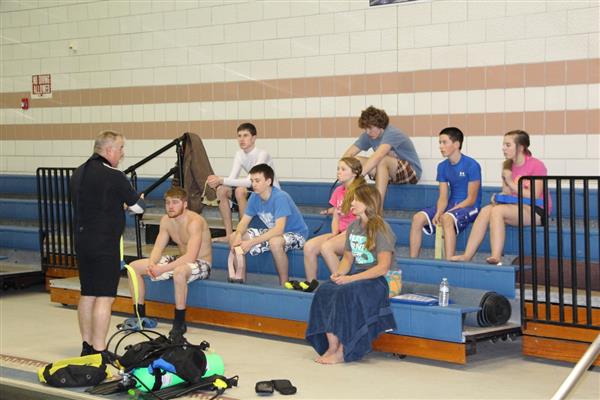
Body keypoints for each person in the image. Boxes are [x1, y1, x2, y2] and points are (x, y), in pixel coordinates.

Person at [71, 130, 145, 357]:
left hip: (83, 240)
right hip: (104, 244)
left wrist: (116, 205)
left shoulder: (78, 172)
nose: (122, 154)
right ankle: (100, 349)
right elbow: (138, 207)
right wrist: (131, 203)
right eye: (121, 148)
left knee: (88, 293)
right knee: (104, 296)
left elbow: (96, 203)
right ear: (109, 150)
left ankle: (87, 345)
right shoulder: (114, 174)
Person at [305, 184, 397, 364]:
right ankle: (331, 346)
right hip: (359, 276)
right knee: (326, 290)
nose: (352, 203)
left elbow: (383, 267)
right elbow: (347, 259)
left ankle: (344, 349)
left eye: (356, 199)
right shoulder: (354, 227)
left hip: (379, 280)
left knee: (347, 292)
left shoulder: (381, 228)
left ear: (368, 203)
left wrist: (350, 279)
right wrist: (339, 274)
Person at [450, 130, 550, 265]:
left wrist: (510, 182)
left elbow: (534, 195)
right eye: (503, 144)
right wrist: (498, 197)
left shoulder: (536, 165)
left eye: (508, 145)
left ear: (520, 147)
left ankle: (496, 256)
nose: (503, 148)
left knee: (497, 211)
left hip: (536, 210)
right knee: (486, 210)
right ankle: (467, 255)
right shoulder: (507, 165)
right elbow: (507, 193)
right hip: (515, 207)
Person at [126, 187, 212, 338]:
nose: (171, 206)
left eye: (175, 202)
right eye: (167, 203)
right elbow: (158, 247)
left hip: (201, 262)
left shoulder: (195, 222)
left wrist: (163, 269)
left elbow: (191, 257)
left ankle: (179, 322)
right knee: (133, 267)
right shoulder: (166, 220)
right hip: (180, 259)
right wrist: (152, 263)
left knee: (179, 272)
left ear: (185, 204)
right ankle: (140, 317)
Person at [228, 163, 308, 285]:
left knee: (275, 242)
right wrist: (238, 235)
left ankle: (284, 283)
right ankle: (240, 279)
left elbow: (278, 230)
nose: (253, 184)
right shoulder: (254, 197)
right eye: (252, 180)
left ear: (268, 181)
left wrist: (251, 242)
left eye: (257, 181)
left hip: (296, 234)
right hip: (275, 233)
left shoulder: (280, 197)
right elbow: (243, 222)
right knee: (234, 237)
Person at [409, 127, 482, 259]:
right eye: (440, 143)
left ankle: (449, 262)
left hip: (470, 207)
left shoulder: (472, 165)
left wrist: (448, 212)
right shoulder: (442, 167)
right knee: (417, 218)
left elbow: (471, 199)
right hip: (451, 205)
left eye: (444, 142)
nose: (440, 146)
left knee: (447, 218)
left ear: (456, 144)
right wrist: (438, 212)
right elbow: (443, 197)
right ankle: (413, 260)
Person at [206, 123, 278, 242]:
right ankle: (229, 235)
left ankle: (243, 233)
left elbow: (250, 182)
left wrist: (221, 180)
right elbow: (232, 179)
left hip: (270, 193)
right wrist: (216, 183)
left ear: (254, 138)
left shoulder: (262, 154)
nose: (241, 139)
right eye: (239, 136)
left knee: (240, 190)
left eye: (245, 135)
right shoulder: (239, 154)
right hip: (255, 191)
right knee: (222, 190)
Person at [301, 157, 366, 289]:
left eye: (343, 169)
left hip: (356, 233)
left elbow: (362, 220)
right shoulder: (338, 191)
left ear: (354, 173)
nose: (338, 172)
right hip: (341, 232)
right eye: (338, 169)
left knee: (327, 247)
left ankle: (341, 284)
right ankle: (311, 284)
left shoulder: (361, 192)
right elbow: (336, 215)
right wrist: (334, 232)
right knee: (309, 246)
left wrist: (343, 235)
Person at [342, 106, 422, 200]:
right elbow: (348, 155)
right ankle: (350, 201)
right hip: (390, 175)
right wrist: (343, 172)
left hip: (412, 173)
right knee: (356, 161)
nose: (368, 132)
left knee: (382, 159)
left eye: (370, 128)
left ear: (380, 125)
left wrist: (358, 176)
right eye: (365, 129)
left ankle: (377, 208)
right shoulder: (368, 135)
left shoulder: (391, 133)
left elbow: (378, 156)